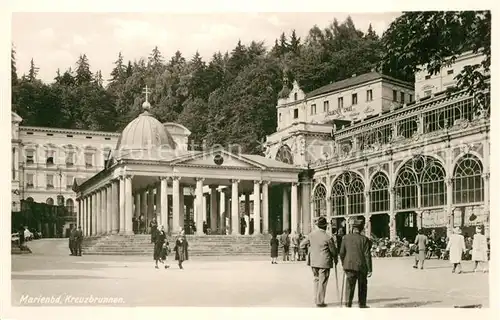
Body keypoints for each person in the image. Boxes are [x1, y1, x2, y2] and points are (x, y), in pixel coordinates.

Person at [299, 216, 338, 307]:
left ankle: (316, 299)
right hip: (324, 262)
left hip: (313, 261)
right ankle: (320, 301)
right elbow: (333, 251)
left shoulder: (311, 235)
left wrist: (309, 250)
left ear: (318, 226)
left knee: (316, 280)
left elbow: (301, 245)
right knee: (322, 281)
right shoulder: (328, 237)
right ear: (325, 226)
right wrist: (335, 258)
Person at [339, 219, 372, 308]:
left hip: (349, 266)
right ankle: (362, 304)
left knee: (349, 286)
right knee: (362, 286)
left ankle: (348, 304)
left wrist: (343, 263)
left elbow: (341, 253)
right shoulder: (364, 239)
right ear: (361, 229)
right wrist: (370, 269)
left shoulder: (345, 238)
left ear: (352, 228)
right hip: (361, 267)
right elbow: (367, 255)